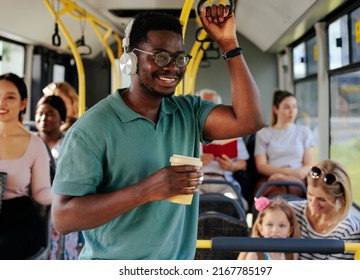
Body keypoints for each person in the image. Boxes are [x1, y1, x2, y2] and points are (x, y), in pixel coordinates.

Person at [51, 6, 265, 260]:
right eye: (160, 56)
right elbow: (63, 218)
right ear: (131, 59)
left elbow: (251, 119)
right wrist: (147, 190)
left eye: (179, 58)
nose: (172, 67)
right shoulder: (91, 129)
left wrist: (228, 43)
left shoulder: (188, 111)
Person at [0, 72, 52, 259]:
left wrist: (67, 193)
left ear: (23, 103)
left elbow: (42, 193)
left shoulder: (35, 144)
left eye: (10, 97)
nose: (2, 103)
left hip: (17, 220)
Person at [34, 95, 81, 260]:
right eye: (40, 113)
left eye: (50, 113)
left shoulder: (72, 145)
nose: (43, 118)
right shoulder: (29, 145)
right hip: (36, 215)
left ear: (61, 117)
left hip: (63, 212)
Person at [289, 160, 360, 260]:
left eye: (322, 199)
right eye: (310, 194)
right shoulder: (293, 211)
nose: (313, 203)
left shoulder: (348, 230)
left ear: (339, 197)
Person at [254, 89, 315, 198]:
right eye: (287, 107)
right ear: (275, 109)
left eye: (294, 106)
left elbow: (309, 165)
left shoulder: (304, 132)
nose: (292, 111)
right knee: (273, 197)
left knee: (291, 195)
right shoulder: (263, 134)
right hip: (272, 178)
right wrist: (283, 174)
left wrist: (289, 175)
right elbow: (261, 166)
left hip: (296, 179)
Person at [197, 88, 249, 210]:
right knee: (190, 205)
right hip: (198, 181)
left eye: (212, 107)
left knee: (239, 204)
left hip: (224, 181)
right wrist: (197, 162)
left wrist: (232, 166)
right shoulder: (188, 132)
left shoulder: (232, 133)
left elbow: (243, 163)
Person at [238, 196, 300, 260]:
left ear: (290, 230)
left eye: (282, 226)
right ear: (261, 229)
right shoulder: (255, 255)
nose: (275, 230)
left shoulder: (292, 254)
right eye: (270, 225)